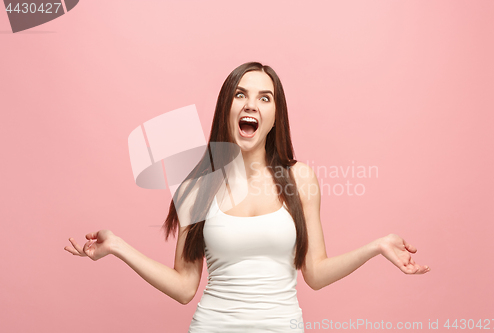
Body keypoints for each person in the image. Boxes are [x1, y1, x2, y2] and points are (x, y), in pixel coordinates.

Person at [64, 62, 430, 332]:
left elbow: (315, 273)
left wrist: (377, 247)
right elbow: (184, 286)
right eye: (240, 94)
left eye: (264, 98)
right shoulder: (197, 186)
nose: (250, 104)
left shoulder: (300, 178)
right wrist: (119, 247)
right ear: (227, 107)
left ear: (275, 115)